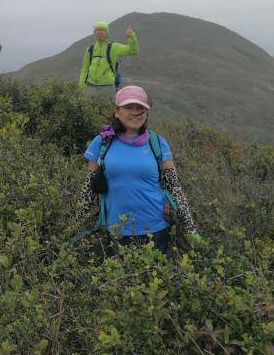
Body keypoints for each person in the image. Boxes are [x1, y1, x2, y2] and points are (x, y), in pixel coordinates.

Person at [77, 85, 199, 253]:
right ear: (117, 111)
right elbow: (88, 190)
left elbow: (174, 187)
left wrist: (190, 228)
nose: (135, 112)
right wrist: (74, 225)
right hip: (116, 230)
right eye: (129, 107)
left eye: (140, 108)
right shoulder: (102, 142)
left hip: (156, 231)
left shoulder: (157, 143)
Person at [79, 21, 138, 96]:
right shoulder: (90, 49)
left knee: (108, 108)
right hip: (90, 87)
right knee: (89, 108)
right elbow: (85, 69)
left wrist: (131, 37)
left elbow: (133, 51)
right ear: (95, 33)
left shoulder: (114, 47)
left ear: (107, 34)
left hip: (107, 87)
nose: (99, 32)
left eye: (102, 30)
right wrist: (82, 85)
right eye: (97, 30)